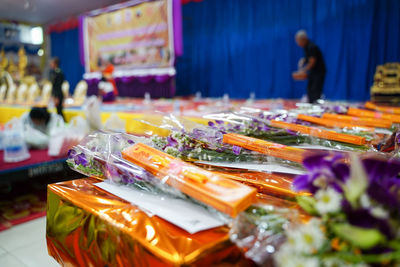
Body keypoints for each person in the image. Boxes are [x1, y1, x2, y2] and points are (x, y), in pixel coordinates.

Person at [294, 30, 326, 103]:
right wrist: (303, 60)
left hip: (319, 71)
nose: (297, 43)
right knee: (310, 88)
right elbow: (308, 58)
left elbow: (312, 61)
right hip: (313, 71)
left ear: (303, 39)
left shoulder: (311, 46)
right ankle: (311, 103)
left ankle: (316, 103)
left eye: (298, 41)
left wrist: (303, 70)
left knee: (315, 88)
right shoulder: (306, 47)